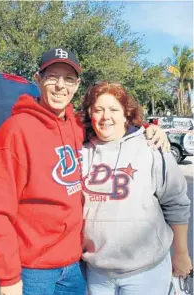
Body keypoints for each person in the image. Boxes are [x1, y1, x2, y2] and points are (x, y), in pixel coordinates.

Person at [0, 48, 169, 295]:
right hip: (34, 270)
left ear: (77, 85)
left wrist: (146, 128)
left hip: (74, 267)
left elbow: (110, 122)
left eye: (68, 79)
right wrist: (8, 278)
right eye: (52, 77)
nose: (60, 86)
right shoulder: (15, 131)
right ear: (38, 79)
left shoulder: (76, 125)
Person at [81, 81, 192, 295]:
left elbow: (176, 203)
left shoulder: (152, 147)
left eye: (114, 109)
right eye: (98, 109)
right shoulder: (82, 151)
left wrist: (181, 253)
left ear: (126, 114)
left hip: (145, 274)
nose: (106, 116)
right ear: (90, 113)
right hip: (97, 275)